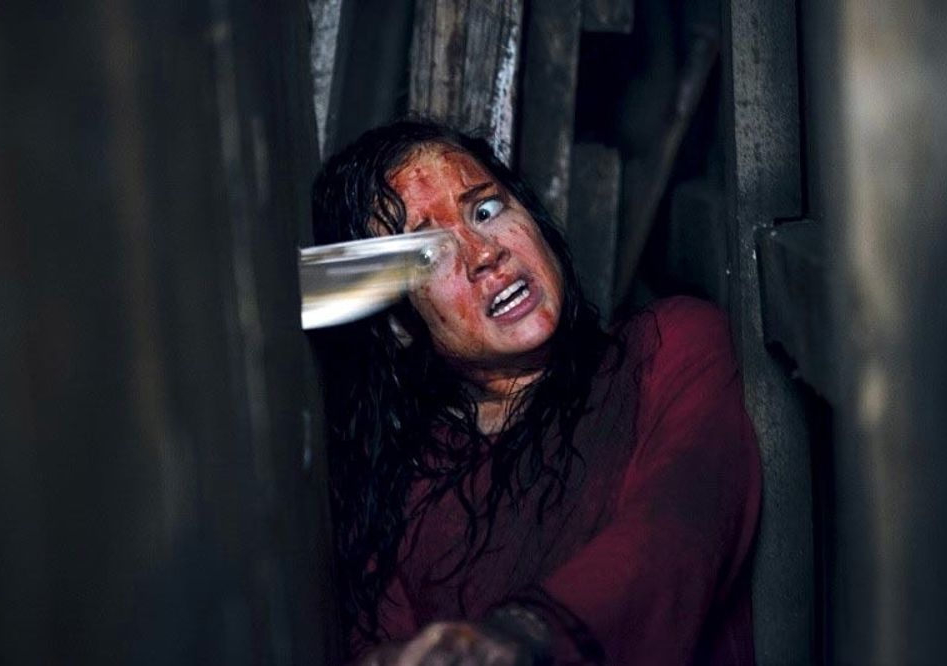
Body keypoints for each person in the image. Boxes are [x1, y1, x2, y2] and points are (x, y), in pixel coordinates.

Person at [311, 119, 761, 665]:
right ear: (399, 323)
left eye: (485, 210)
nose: (484, 254)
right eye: (430, 255)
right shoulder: (399, 497)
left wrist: (524, 635)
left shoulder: (670, 348)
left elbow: (678, 529)